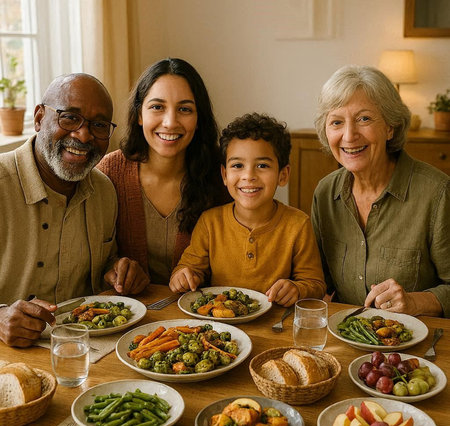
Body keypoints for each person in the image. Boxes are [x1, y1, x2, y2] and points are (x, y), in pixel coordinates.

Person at [0, 73, 149, 347]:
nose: (83, 134)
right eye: (69, 117)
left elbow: (105, 263)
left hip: (87, 352)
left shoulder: (105, 190)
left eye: (99, 125)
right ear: (38, 118)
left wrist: (116, 269)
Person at [311, 65, 450, 317]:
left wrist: (416, 302)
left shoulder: (437, 193)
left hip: (418, 348)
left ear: (390, 127)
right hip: (347, 337)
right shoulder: (325, 193)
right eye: (336, 122)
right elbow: (319, 280)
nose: (349, 135)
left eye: (364, 119)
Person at [169, 112, 326, 307]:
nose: (248, 175)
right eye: (237, 165)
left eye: (262, 165)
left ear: (283, 175)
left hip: (276, 326)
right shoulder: (210, 222)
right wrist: (182, 276)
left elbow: (316, 284)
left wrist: (298, 289)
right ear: (224, 175)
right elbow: (188, 268)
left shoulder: (298, 224)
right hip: (219, 326)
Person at [97, 58, 229, 285]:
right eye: (157, 107)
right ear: (139, 115)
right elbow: (93, 256)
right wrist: (114, 269)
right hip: (133, 315)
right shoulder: (109, 173)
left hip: (204, 313)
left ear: (198, 119)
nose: (169, 122)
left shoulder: (223, 176)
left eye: (185, 109)